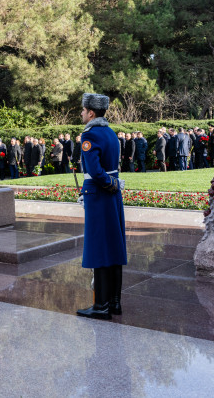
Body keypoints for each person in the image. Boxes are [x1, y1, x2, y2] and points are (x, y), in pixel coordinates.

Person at [76, 93, 126, 321]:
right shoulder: (110, 133)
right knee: (114, 247)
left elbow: (95, 171)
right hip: (112, 196)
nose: (82, 114)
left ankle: (100, 305)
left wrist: (109, 183)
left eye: (84, 110)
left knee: (99, 249)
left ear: (91, 113)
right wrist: (114, 184)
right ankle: (114, 302)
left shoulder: (91, 134)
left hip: (100, 194)